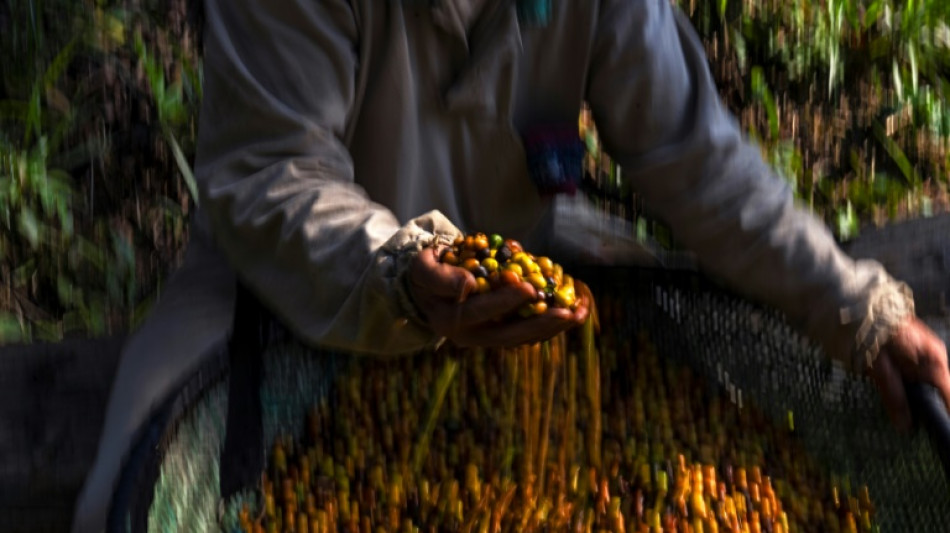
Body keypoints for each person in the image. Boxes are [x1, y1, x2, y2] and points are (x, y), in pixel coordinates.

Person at [72, 1, 950, 531]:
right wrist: (407, 268)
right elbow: (270, 177)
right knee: (116, 499)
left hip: (518, 266)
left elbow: (695, 157)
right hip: (280, 271)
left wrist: (853, 304)